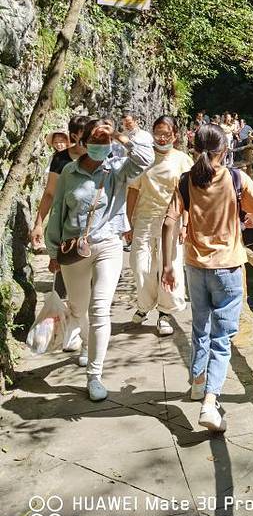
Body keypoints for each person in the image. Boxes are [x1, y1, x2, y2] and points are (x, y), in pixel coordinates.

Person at [161, 124, 253, 432]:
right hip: (227, 267)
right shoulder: (236, 178)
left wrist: (167, 266)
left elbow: (169, 222)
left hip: (194, 266)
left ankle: (198, 382)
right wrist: (250, 216)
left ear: (194, 149)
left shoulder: (186, 181)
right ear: (225, 150)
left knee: (200, 326)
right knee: (222, 338)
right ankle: (210, 403)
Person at [45, 118, 154, 402]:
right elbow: (57, 211)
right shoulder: (69, 171)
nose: (101, 146)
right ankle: (85, 343)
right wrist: (53, 251)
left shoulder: (117, 169)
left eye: (105, 142)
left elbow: (146, 158)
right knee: (78, 307)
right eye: (96, 141)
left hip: (108, 244)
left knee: (100, 309)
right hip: (74, 248)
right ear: (83, 143)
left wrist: (118, 136)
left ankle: (94, 375)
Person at [125, 116, 192, 336]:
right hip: (144, 218)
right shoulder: (143, 158)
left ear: (175, 135)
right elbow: (133, 190)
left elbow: (189, 195)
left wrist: (185, 224)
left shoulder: (183, 160)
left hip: (171, 220)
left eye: (166, 134)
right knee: (139, 265)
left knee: (169, 265)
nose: (162, 138)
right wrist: (127, 222)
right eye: (158, 133)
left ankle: (165, 312)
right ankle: (145, 305)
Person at [31, 117, 88, 251]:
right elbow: (50, 193)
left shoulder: (102, 157)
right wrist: (38, 224)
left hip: (96, 225)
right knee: (65, 260)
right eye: (86, 133)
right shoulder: (60, 159)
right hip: (66, 223)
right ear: (74, 136)